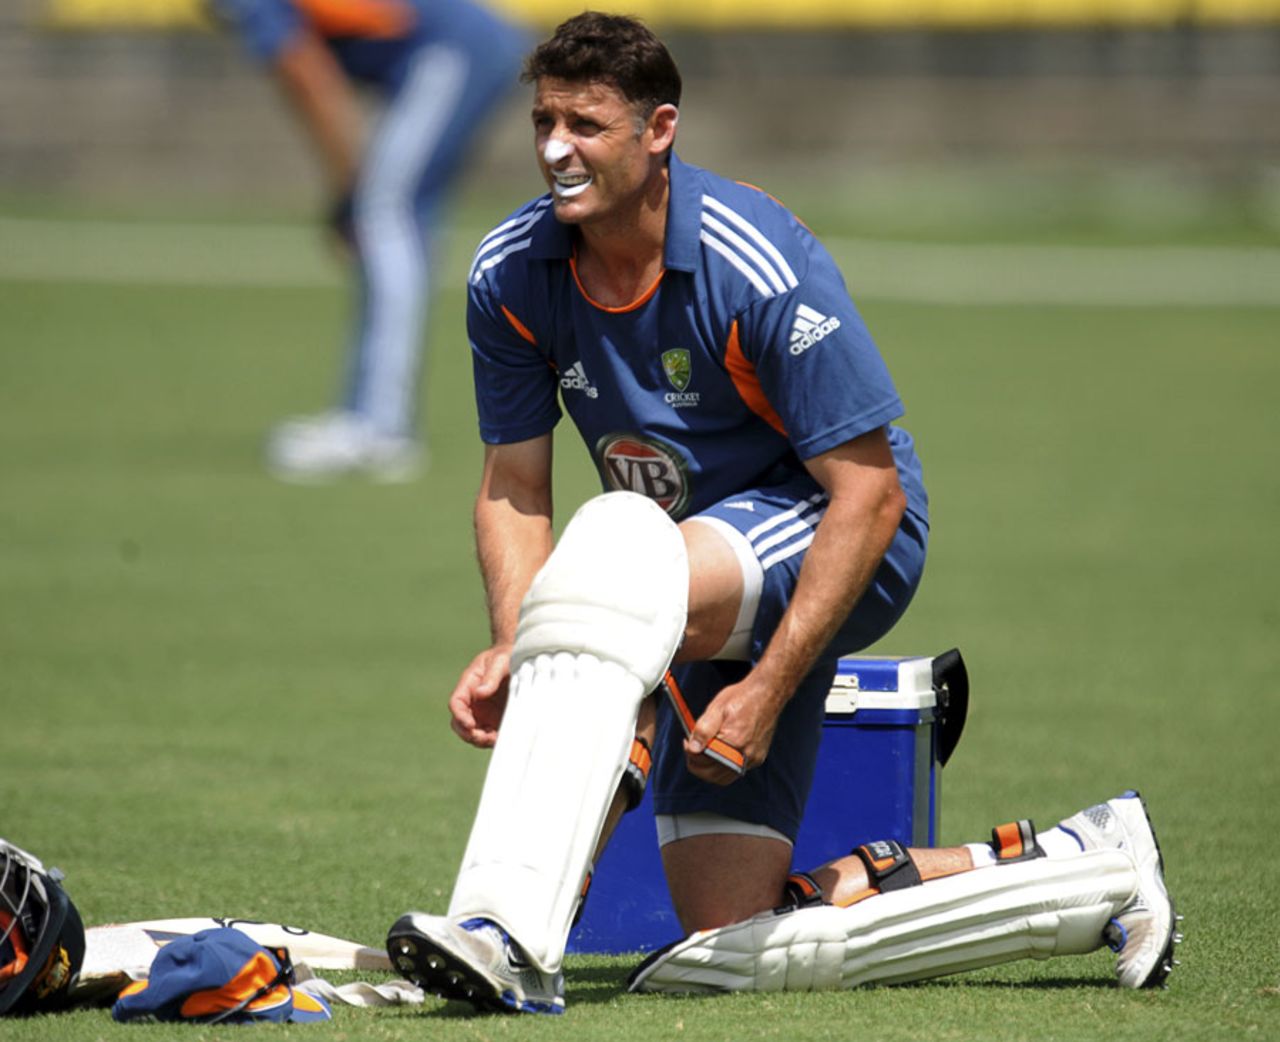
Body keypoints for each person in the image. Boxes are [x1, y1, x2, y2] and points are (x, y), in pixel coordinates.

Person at [384, 12, 1178, 1015]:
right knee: (724, 942)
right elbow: (512, 484)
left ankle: (502, 929)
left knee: (618, 547)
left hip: (845, 538)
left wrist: (764, 688)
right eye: (544, 119)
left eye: (585, 124)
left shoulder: (751, 260)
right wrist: (516, 643)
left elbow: (871, 489)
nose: (554, 147)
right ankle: (1082, 866)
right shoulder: (508, 271)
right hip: (676, 588)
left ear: (657, 130)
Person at [209, 0, 528, 481]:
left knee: (383, 208)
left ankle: (379, 426)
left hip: (451, 49)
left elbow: (307, 76)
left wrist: (347, 191)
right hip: (457, 46)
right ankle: (371, 414)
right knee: (395, 211)